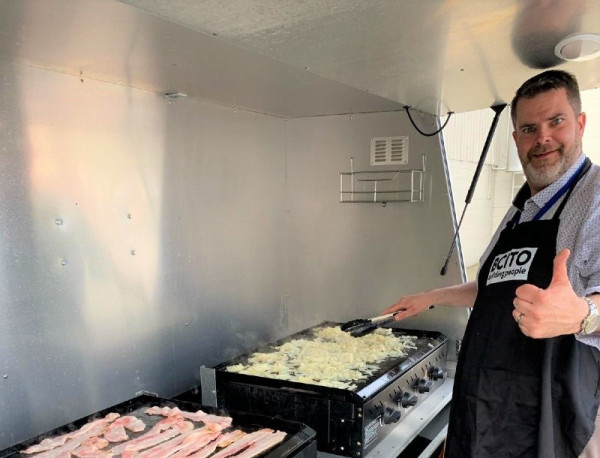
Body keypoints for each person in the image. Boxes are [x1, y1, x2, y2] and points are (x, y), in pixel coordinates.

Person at [383, 69, 600, 457]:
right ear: (516, 138)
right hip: (487, 408)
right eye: (529, 128)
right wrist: (430, 297)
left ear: (580, 123)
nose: (543, 138)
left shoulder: (595, 198)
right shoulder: (522, 207)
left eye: (556, 122)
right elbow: (497, 287)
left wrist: (581, 315)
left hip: (555, 419)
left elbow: (585, 307)